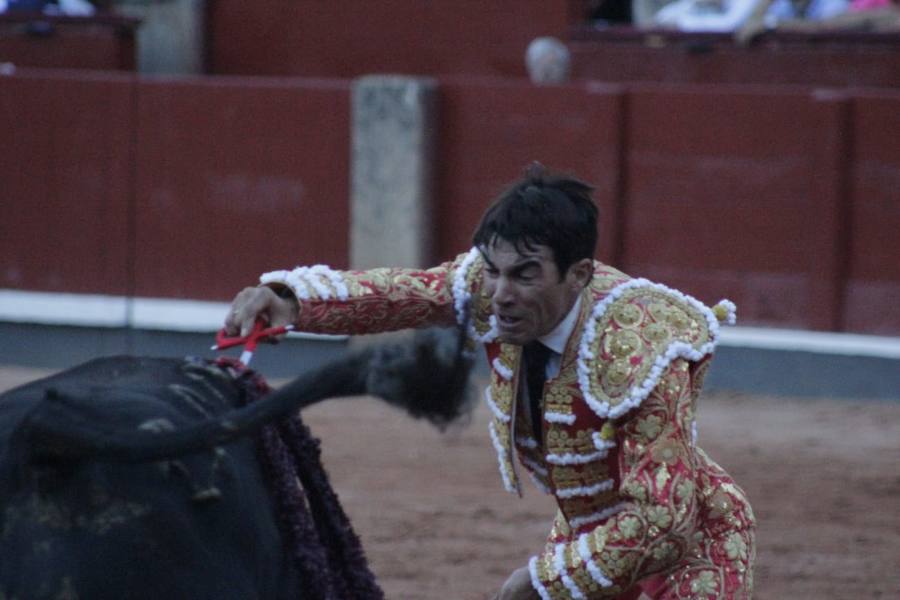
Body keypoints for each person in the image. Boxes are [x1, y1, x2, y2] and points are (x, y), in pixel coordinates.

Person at [225, 164, 756, 599]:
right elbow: (404, 293)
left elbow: (664, 521)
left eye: (525, 274)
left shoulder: (639, 344)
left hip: (690, 547)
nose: (501, 293)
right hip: (590, 534)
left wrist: (544, 579)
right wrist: (291, 301)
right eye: (494, 270)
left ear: (579, 275)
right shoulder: (493, 287)